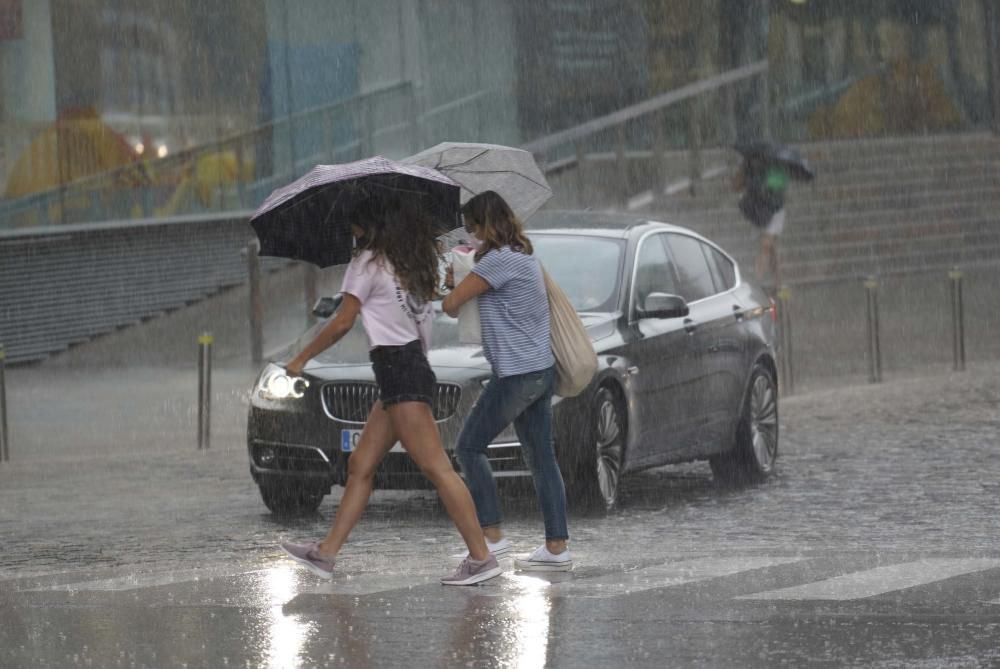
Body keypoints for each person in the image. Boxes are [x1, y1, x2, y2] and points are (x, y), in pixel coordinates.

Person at [279, 200, 501, 586]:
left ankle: (481, 557)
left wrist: (301, 358)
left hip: (399, 371)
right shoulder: (408, 266)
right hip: (408, 368)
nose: (348, 228)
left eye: (351, 221)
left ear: (363, 224)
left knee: (438, 469)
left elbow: (342, 322)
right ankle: (325, 554)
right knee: (361, 466)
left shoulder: (366, 263)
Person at [442, 191, 572, 571]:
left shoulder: (496, 263)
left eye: (473, 228)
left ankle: (492, 537)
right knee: (542, 458)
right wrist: (464, 275)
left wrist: (455, 281)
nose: (471, 236)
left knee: (468, 446)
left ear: (487, 226)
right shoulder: (524, 257)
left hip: (516, 375)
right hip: (540, 371)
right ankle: (556, 546)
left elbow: (450, 307)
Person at [733, 153, 789, 289]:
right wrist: (742, 172)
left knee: (765, 245)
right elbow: (736, 187)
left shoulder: (775, 166)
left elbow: (778, 186)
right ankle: (780, 284)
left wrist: (761, 183)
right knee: (772, 248)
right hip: (758, 211)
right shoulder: (748, 166)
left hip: (774, 210)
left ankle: (755, 282)